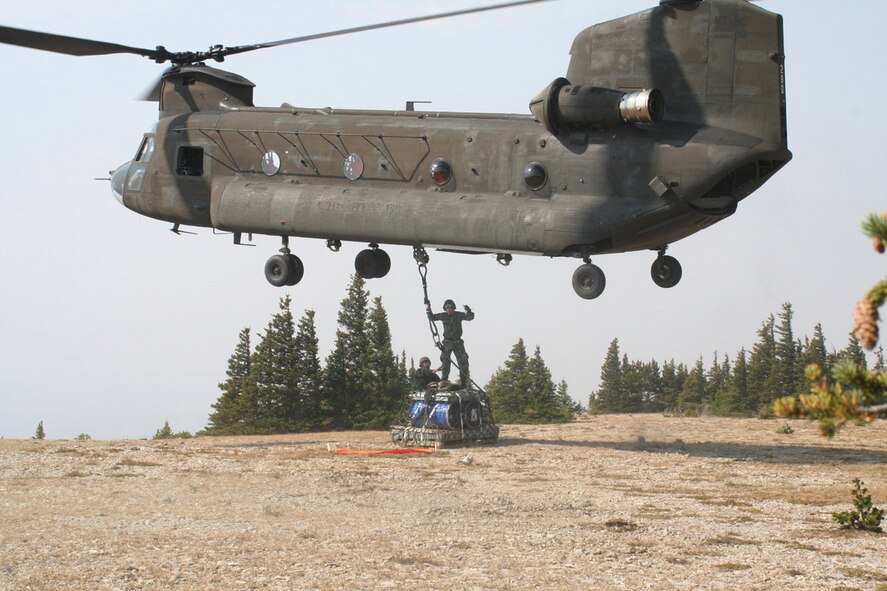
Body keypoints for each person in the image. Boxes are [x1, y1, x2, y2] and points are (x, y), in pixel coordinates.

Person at [426, 299, 474, 387]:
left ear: (453, 308)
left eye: (450, 307)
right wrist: (428, 308)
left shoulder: (458, 315)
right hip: (447, 342)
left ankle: (463, 382)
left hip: (458, 342)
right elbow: (431, 318)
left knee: (463, 362)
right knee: (445, 361)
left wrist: (469, 311)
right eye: (447, 307)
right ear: (445, 308)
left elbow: (470, 317)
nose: (449, 309)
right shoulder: (443, 316)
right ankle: (444, 380)